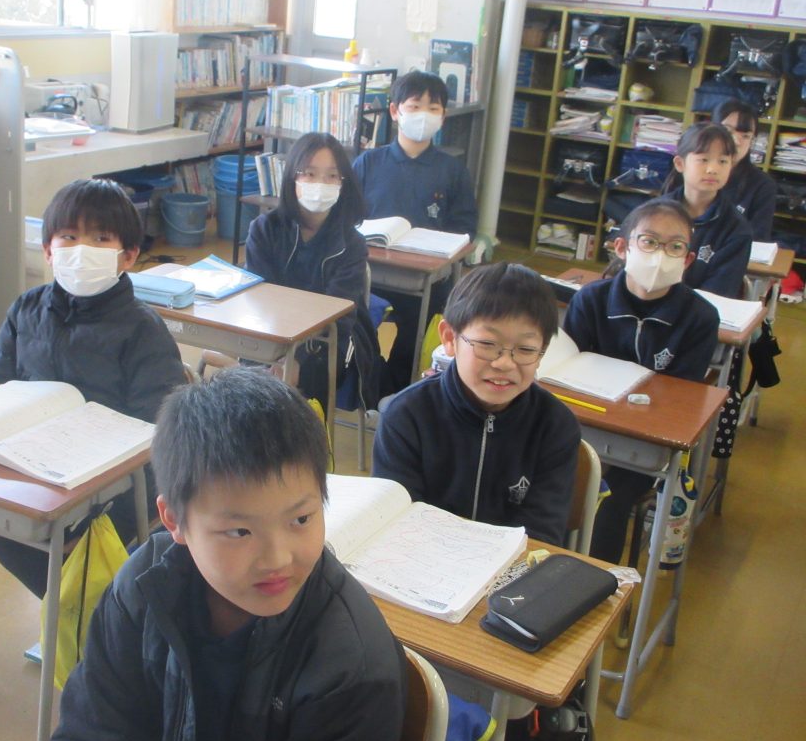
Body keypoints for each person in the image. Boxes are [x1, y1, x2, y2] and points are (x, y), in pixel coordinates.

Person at [0, 178, 187, 657]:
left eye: (100, 239)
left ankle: (81, 624)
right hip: (21, 469)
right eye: (68, 237)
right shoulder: (26, 310)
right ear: (48, 249)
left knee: (17, 541)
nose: (81, 249)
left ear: (127, 255)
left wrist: (101, 502)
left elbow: (157, 435)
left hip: (103, 489)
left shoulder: (143, 331)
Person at [53, 367, 407, 741]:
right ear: (174, 520)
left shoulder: (350, 665)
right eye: (239, 532)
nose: (277, 559)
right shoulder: (142, 589)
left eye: (301, 519)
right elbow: (89, 729)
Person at [373, 262, 580, 546]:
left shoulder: (555, 426)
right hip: (421, 558)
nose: (504, 363)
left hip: (512, 567)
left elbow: (541, 535)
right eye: (487, 344)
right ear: (450, 338)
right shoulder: (406, 416)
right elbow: (396, 522)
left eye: (525, 349)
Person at [563, 198, 720, 563]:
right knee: (550, 480)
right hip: (582, 428)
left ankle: (596, 580)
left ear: (688, 260)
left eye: (675, 247)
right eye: (649, 241)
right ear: (622, 247)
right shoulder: (591, 300)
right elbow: (564, 371)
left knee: (609, 500)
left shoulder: (699, 317)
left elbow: (681, 398)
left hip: (645, 443)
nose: (660, 255)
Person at [353, 70, 478, 390]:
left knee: (417, 334)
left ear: (443, 117)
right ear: (395, 111)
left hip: (427, 279)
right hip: (368, 271)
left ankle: (395, 392)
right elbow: (345, 216)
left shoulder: (452, 170)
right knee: (353, 325)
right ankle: (364, 385)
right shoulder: (369, 163)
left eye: (433, 108)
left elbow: (466, 229)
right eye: (414, 106)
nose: (424, 115)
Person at [244, 132, 371, 407]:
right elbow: (257, 301)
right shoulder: (264, 230)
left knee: (296, 387)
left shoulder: (352, 244)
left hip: (324, 347)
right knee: (249, 387)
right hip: (268, 338)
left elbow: (338, 318)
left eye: (331, 176)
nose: (320, 184)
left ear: (343, 183)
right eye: (310, 174)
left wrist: (297, 360)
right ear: (293, 177)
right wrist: (277, 355)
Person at [661, 121, 752, 297]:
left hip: (700, 311)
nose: (712, 169)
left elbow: (719, 293)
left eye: (723, 161)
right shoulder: (654, 214)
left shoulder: (736, 230)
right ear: (680, 164)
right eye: (703, 160)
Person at [712, 99, 777, 242]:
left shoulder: (763, 185)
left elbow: (758, 239)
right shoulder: (690, 171)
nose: (736, 141)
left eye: (745, 136)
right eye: (727, 131)